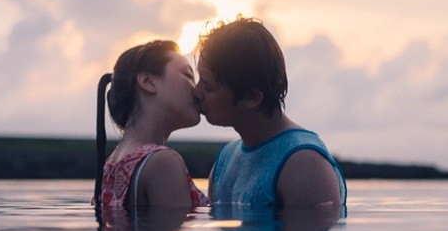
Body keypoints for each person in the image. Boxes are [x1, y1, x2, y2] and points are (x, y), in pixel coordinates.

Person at [194, 17, 346, 208]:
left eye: (207, 86)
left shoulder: (303, 163)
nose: (196, 92)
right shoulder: (224, 161)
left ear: (252, 98)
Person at [94, 40, 209, 209]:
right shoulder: (163, 162)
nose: (197, 90)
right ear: (148, 81)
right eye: (188, 75)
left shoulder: (112, 164)